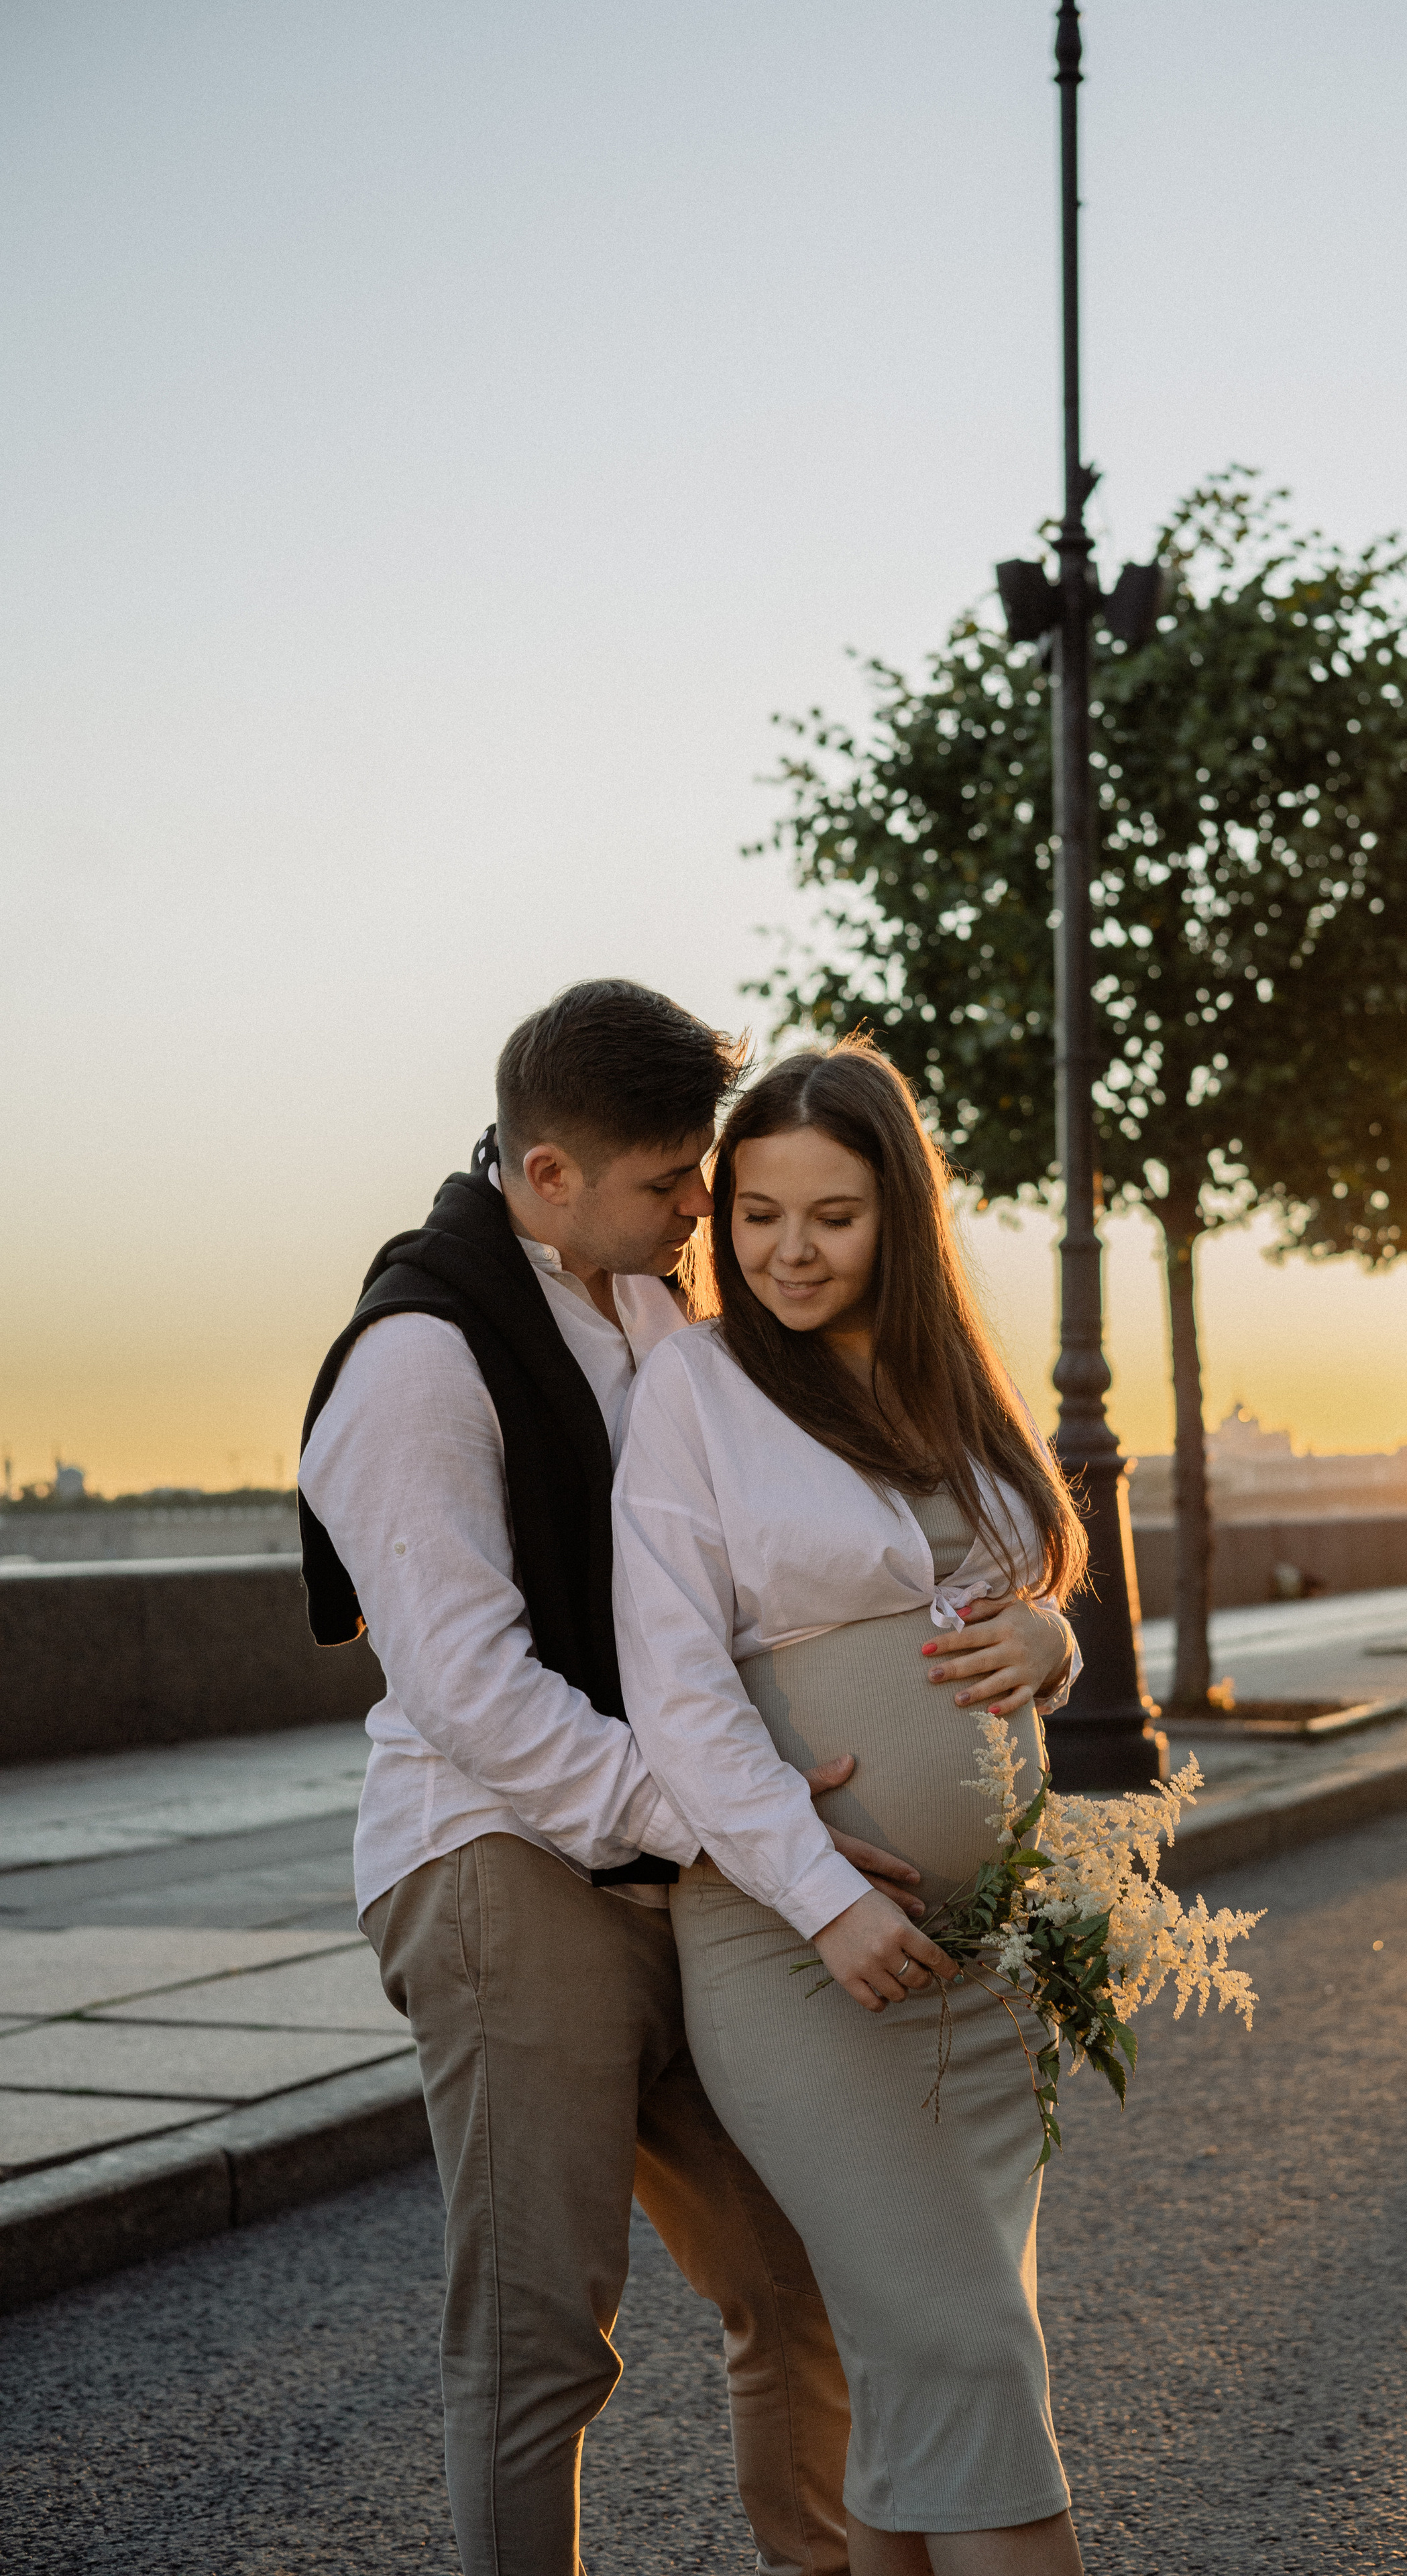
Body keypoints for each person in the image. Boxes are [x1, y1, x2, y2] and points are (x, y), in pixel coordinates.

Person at [296, 981, 1071, 2576]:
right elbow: (467, 1695)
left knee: (798, 2283)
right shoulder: (418, 1365)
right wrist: (745, 1823)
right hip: (506, 1869)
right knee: (542, 2333)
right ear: (549, 1171)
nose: (704, 1219)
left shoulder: (645, 1303)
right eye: (674, 1188)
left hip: (700, 1881)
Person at [612, 1038, 1090, 2576]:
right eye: (755, 1215)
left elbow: (1033, 1572)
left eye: (830, 1215)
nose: (787, 1252)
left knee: (918, 2366)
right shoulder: (694, 1385)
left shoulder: (948, 1377)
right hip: (795, 1949)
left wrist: (1052, 1636)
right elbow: (673, 1683)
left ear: (900, 1214)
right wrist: (824, 1895)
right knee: (964, 2346)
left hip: (980, 1960)